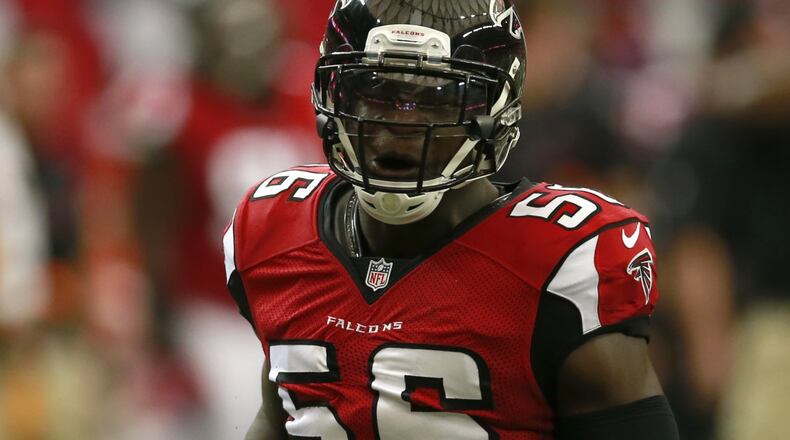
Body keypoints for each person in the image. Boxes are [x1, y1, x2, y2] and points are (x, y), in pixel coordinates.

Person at [223, 1, 679, 438]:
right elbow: (283, 414)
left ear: (495, 113)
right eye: (375, 91)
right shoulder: (274, 228)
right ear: (334, 92)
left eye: (437, 99)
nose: (400, 125)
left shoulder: (561, 263)